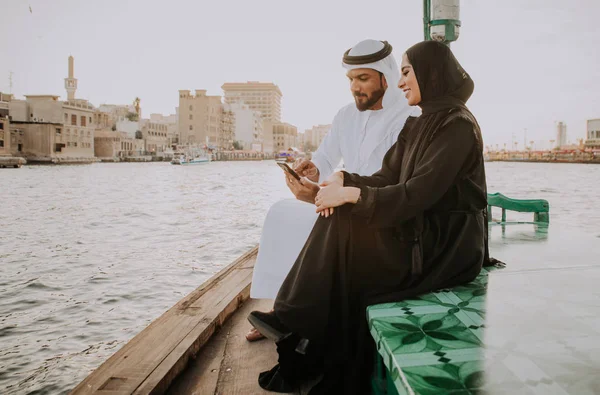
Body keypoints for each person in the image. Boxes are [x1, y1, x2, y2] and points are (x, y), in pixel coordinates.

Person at [249, 40, 494, 394]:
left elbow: (416, 194)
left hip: (447, 247)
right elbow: (386, 177)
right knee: (341, 223)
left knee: (346, 228)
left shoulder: (456, 127)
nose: (401, 82)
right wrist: (342, 180)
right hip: (420, 232)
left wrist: (350, 194)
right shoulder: (423, 122)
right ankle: (299, 331)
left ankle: (294, 322)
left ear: (432, 73)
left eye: (407, 73)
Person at [247, 39, 419, 341]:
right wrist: (313, 171)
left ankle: (290, 315)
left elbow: (394, 180)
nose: (355, 87)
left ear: (386, 77)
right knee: (281, 212)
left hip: (372, 206)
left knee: (315, 217)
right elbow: (326, 158)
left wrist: (331, 192)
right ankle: (279, 308)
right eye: (351, 79)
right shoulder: (345, 116)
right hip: (340, 197)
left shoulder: (408, 116)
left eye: (362, 78)